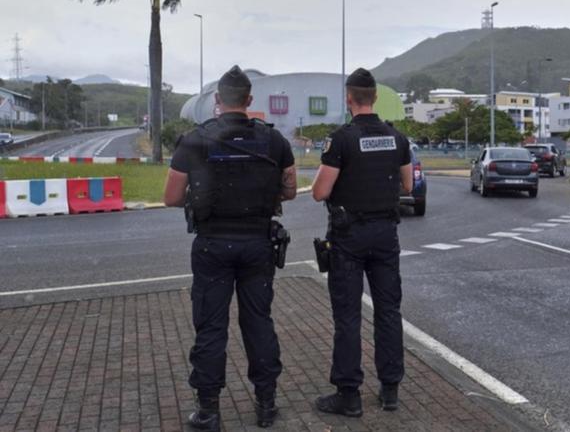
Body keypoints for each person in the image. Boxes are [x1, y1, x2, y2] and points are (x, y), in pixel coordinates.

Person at [163, 66, 297, 430]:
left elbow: (171, 197)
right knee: (259, 323)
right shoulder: (274, 141)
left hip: (212, 246)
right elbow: (289, 190)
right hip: (258, 245)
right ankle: (266, 406)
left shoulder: (194, 140)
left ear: (218, 101)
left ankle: (208, 411)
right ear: (249, 101)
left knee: (210, 327)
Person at [311, 67, 413, 417]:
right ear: (375, 98)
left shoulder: (340, 139)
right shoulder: (397, 138)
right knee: (388, 312)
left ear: (349, 99)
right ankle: (390, 390)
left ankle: (349, 394)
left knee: (348, 316)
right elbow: (409, 186)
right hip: (386, 235)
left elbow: (320, 192)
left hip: (349, 238)